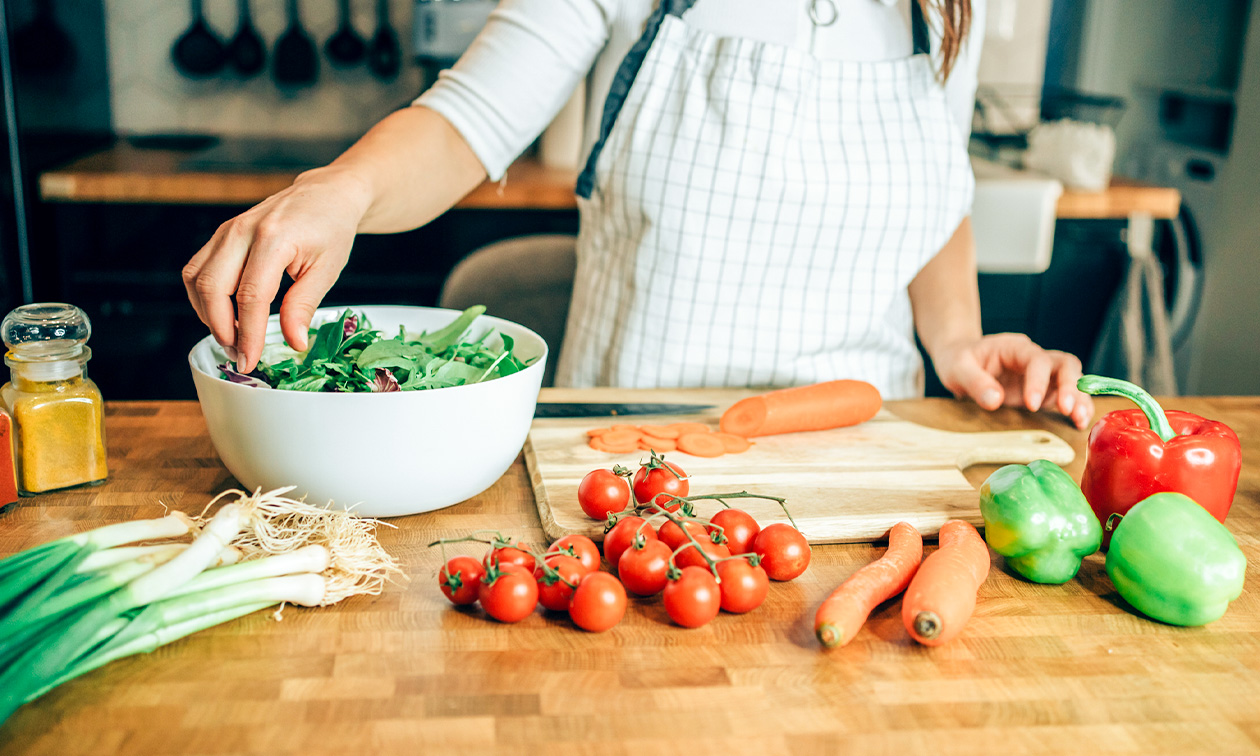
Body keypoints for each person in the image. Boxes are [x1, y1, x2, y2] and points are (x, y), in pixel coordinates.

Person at [182, 0, 1094, 427]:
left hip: (863, 452)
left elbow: (930, 194)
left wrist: (961, 343)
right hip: (632, 456)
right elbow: (464, 123)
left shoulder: (946, 9)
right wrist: (337, 191)